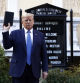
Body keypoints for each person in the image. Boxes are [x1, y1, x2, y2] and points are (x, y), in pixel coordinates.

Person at [2, 13, 48, 83]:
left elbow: (44, 55)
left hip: (34, 71)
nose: (28, 22)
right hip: (18, 70)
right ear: (22, 22)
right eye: (26, 20)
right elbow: (6, 46)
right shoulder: (15, 34)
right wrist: (5, 31)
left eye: (30, 20)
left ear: (33, 21)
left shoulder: (40, 35)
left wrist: (45, 70)